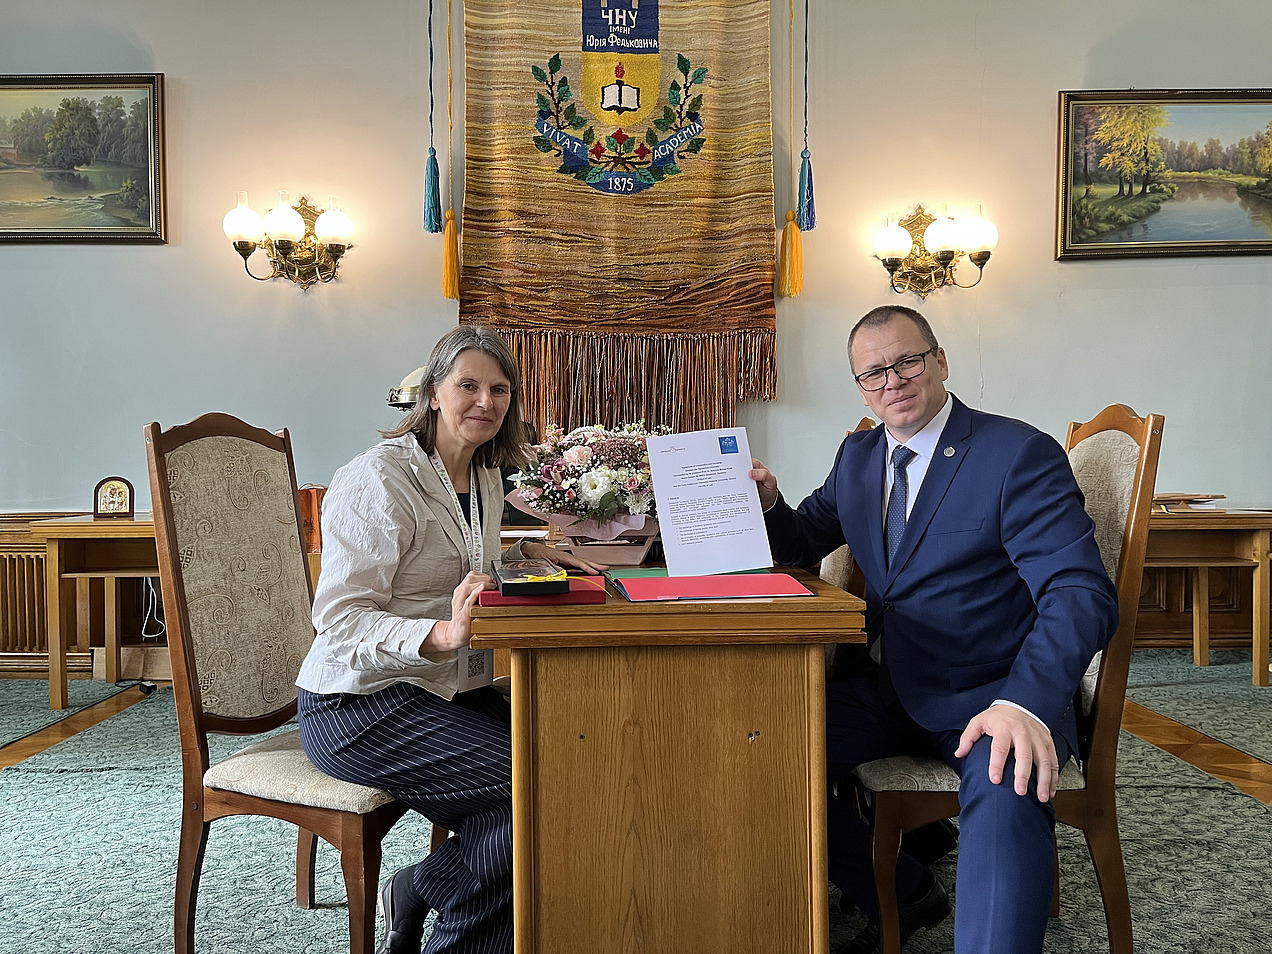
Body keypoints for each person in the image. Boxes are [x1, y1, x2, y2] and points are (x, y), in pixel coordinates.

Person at [749, 305, 1118, 954]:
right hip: (893, 688)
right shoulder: (860, 455)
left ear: (940, 361)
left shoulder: (1015, 453)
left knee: (1007, 786)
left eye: (907, 361)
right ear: (859, 386)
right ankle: (904, 887)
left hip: (995, 691)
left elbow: (1079, 592)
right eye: (872, 373)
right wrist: (772, 505)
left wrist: (1024, 703)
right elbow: (806, 539)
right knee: (753, 751)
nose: (891, 381)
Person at [295, 324, 604, 954]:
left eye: (498, 389)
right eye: (467, 385)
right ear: (433, 393)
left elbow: (460, 567)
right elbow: (341, 621)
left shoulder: (482, 477)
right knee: (535, 783)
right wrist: (440, 634)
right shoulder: (377, 479)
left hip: (444, 692)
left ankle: (419, 887)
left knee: (578, 758)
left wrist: (532, 556)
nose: (484, 402)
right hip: (358, 707)